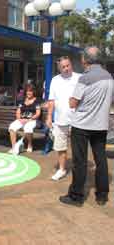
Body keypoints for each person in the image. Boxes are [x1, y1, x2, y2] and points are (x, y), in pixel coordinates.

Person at [59, 46, 114, 206]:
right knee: (101, 159)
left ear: (86, 60)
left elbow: (73, 102)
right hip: (101, 126)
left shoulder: (85, 78)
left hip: (82, 126)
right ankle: (102, 195)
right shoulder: (110, 77)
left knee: (80, 161)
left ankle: (76, 196)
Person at [47, 56, 81, 181]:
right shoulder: (55, 80)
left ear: (71, 64)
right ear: (59, 68)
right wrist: (49, 116)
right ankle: (62, 169)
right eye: (63, 67)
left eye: (68, 65)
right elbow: (51, 100)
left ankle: (79, 170)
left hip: (77, 120)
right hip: (60, 120)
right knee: (60, 147)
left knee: (78, 147)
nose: (66, 68)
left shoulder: (79, 78)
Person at [8, 84, 41, 154]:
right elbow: (18, 111)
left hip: (32, 120)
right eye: (27, 91)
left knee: (28, 128)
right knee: (12, 127)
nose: (29, 93)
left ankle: (30, 144)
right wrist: (19, 119)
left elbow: (38, 113)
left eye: (30, 91)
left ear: (33, 92)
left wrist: (29, 119)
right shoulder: (22, 100)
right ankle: (14, 147)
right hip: (22, 120)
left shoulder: (37, 101)